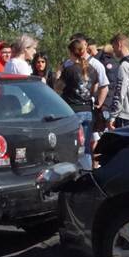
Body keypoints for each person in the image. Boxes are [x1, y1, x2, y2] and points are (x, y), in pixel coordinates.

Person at [57, 37, 101, 167]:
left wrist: (58, 73)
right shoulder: (92, 69)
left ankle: (74, 173)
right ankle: (87, 172)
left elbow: (57, 87)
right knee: (86, 147)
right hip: (87, 110)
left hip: (73, 111)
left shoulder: (69, 70)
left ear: (71, 53)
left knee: (72, 147)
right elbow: (94, 89)